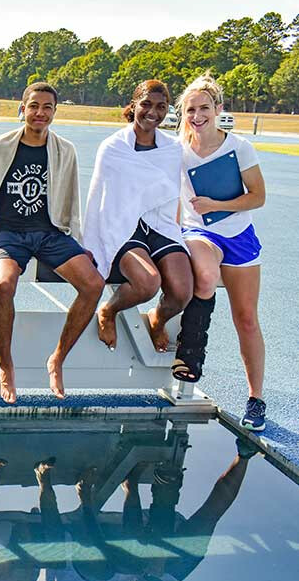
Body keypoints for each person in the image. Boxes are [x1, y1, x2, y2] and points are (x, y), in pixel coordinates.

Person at [0, 82, 105, 403]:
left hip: (49, 234)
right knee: (4, 287)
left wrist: (77, 241)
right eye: (34, 106)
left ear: (55, 112)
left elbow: (70, 203)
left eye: (47, 107)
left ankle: (58, 358)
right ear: (23, 108)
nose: (40, 113)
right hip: (9, 235)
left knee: (93, 284)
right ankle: (6, 364)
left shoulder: (65, 151)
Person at [175, 73, 267, 431]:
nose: (196, 116)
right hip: (199, 233)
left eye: (203, 108)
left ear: (217, 109)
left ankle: (256, 398)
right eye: (190, 110)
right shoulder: (178, 151)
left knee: (246, 320)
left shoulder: (239, 147)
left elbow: (258, 196)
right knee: (207, 276)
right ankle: (190, 356)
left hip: (240, 236)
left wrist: (218, 202)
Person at [85, 80, 192, 353]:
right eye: (146, 104)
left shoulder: (172, 149)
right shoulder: (113, 147)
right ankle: (108, 310)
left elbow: (173, 194)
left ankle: (158, 318)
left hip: (160, 226)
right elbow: (101, 199)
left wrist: (178, 232)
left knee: (182, 293)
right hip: (122, 227)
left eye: (161, 106)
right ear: (133, 106)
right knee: (147, 282)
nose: (153, 112)